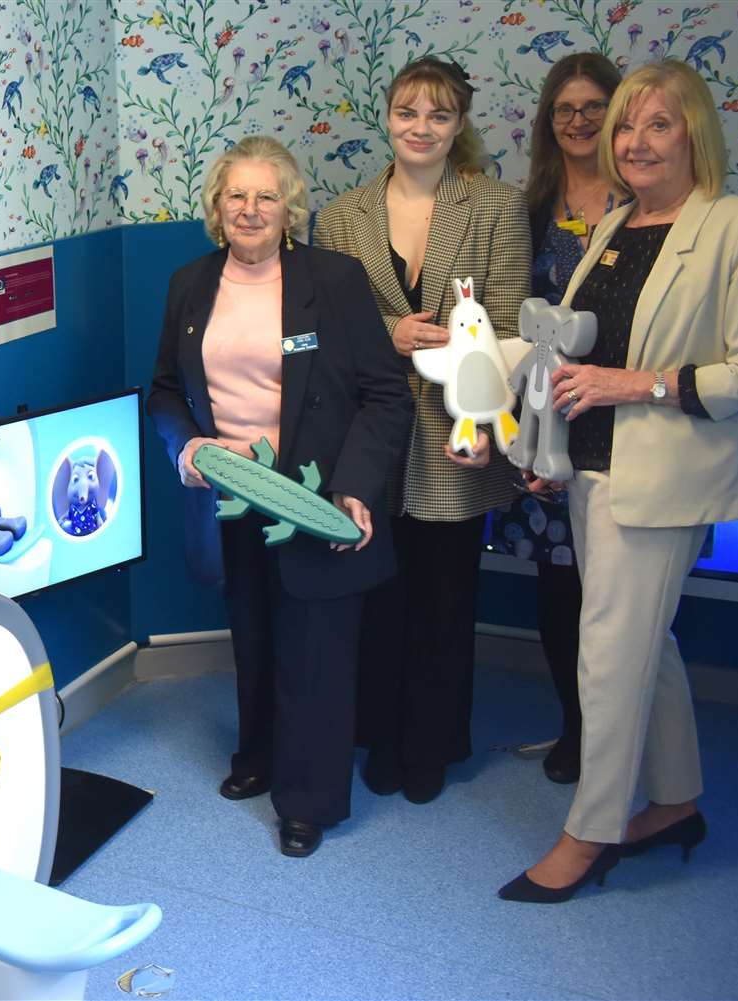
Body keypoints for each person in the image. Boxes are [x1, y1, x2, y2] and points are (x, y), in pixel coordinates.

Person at [500, 60, 738, 903]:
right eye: (627, 129)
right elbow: (572, 347)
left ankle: (589, 831)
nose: (637, 143)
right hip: (589, 467)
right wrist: (541, 438)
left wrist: (632, 385)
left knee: (606, 657)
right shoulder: (616, 224)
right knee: (651, 647)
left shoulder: (732, 227)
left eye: (658, 125)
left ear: (695, 134)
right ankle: (675, 803)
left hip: (662, 477)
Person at [150, 136, 412, 857]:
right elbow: (167, 390)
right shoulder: (190, 284)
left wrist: (357, 490)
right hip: (230, 499)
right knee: (256, 637)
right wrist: (188, 446)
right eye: (237, 194)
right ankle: (259, 756)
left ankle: (309, 799)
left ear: (289, 207)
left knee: (316, 655)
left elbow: (386, 397)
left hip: (315, 500)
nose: (251, 208)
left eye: (267, 196)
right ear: (217, 205)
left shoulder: (335, 279)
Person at [313, 57, 532, 806]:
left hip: (456, 428)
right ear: (388, 116)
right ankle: (382, 734)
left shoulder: (497, 207)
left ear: (460, 124)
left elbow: (506, 324)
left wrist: (483, 421)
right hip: (372, 430)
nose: (422, 128)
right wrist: (389, 330)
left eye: (439, 115)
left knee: (444, 595)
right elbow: (332, 326)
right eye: (409, 112)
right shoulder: (345, 215)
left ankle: (432, 743)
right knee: (377, 591)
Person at [501, 51, 623, 785]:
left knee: (621, 588)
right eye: (564, 109)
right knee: (558, 584)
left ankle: (623, 731)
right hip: (548, 422)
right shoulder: (531, 204)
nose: (578, 121)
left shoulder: (645, 202)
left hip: (623, 412)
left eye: (592, 107)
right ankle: (575, 728)